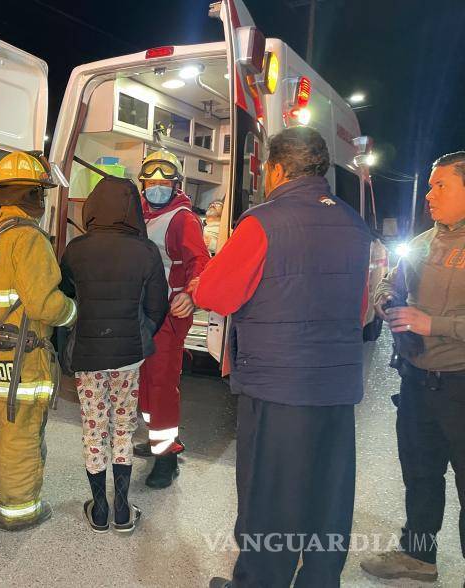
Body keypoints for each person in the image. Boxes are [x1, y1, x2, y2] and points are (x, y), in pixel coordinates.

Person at [191, 127, 372, 588]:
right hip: (336, 387)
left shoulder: (264, 221)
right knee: (327, 495)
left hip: (278, 385)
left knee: (270, 497)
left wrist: (200, 283)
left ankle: (260, 581)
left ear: (275, 168)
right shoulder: (354, 223)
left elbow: (216, 293)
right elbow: (360, 306)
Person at [361, 151, 465, 584]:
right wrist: (387, 303)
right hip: (418, 384)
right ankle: (419, 557)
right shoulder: (423, 242)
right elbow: (387, 283)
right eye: (429, 185)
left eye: (441, 185)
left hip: (461, 386)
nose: (429, 194)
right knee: (421, 475)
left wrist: (432, 323)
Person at [0, 151, 77, 531]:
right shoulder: (27, 239)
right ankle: (19, 511)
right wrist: (73, 313)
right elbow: (45, 304)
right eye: (41, 194)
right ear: (33, 196)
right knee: (20, 433)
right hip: (20, 361)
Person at [60, 177, 169, 533]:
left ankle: (100, 509)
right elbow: (157, 307)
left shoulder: (76, 249)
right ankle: (123, 509)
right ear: (133, 209)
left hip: (88, 356)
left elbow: (65, 302)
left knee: (95, 428)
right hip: (128, 357)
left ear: (93, 207)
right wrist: (140, 335)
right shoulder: (147, 251)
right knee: (123, 427)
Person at [133, 149, 209, 488]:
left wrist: (191, 295)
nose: (157, 188)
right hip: (143, 311)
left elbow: (200, 263)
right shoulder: (141, 213)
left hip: (168, 312)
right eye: (151, 182)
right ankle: (156, 439)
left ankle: (168, 456)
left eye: (164, 183)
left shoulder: (183, 219)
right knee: (145, 380)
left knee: (161, 384)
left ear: (176, 185)